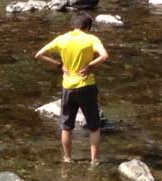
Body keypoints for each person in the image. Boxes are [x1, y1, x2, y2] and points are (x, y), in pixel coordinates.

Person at [35, 12, 109, 165]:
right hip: (86, 86)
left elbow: (39, 55)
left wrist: (59, 65)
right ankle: (94, 161)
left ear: (73, 25)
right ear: (87, 27)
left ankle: (68, 158)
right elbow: (104, 56)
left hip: (68, 87)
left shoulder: (61, 39)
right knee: (94, 127)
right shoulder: (91, 39)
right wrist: (90, 66)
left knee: (67, 126)